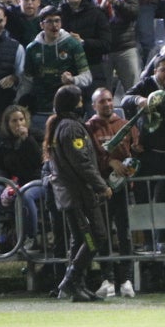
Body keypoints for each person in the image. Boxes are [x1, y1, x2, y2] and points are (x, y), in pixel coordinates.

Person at [42, 85, 116, 303]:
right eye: (80, 100)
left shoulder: (60, 126)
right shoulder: (72, 128)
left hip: (70, 193)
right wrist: (101, 185)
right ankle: (71, 280)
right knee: (96, 237)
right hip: (79, 193)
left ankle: (76, 284)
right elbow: (81, 162)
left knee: (79, 239)